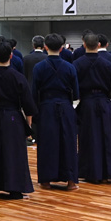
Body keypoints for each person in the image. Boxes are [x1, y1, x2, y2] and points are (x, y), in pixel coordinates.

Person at [0, 42, 35, 200]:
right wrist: (28, 124)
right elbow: (28, 104)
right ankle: (15, 189)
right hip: (13, 117)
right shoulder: (18, 77)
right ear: (11, 56)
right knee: (14, 153)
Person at [32, 34, 79, 190]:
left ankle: (46, 180)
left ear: (45, 47)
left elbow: (34, 92)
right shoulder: (70, 67)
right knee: (68, 142)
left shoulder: (39, 67)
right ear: (61, 47)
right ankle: (71, 181)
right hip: (65, 106)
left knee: (47, 143)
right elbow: (76, 94)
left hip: (46, 107)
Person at [73, 33, 111, 185]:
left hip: (87, 103)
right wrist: (107, 96)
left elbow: (74, 88)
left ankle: (90, 172)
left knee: (88, 138)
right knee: (107, 137)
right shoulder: (107, 64)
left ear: (84, 45)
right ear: (99, 45)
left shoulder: (77, 64)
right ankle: (108, 173)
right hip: (104, 102)